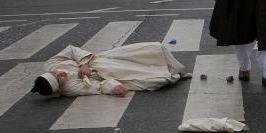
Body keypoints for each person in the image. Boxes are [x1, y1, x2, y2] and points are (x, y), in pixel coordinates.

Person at [31, 42, 186, 98]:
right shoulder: (70, 88)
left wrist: (83, 63)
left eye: (55, 73)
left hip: (103, 59)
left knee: (150, 49)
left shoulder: (51, 64)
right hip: (109, 72)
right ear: (59, 87)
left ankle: (168, 63)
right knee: (154, 79)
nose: (60, 73)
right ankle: (174, 72)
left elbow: (71, 50)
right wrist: (114, 87)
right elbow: (97, 86)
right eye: (59, 79)